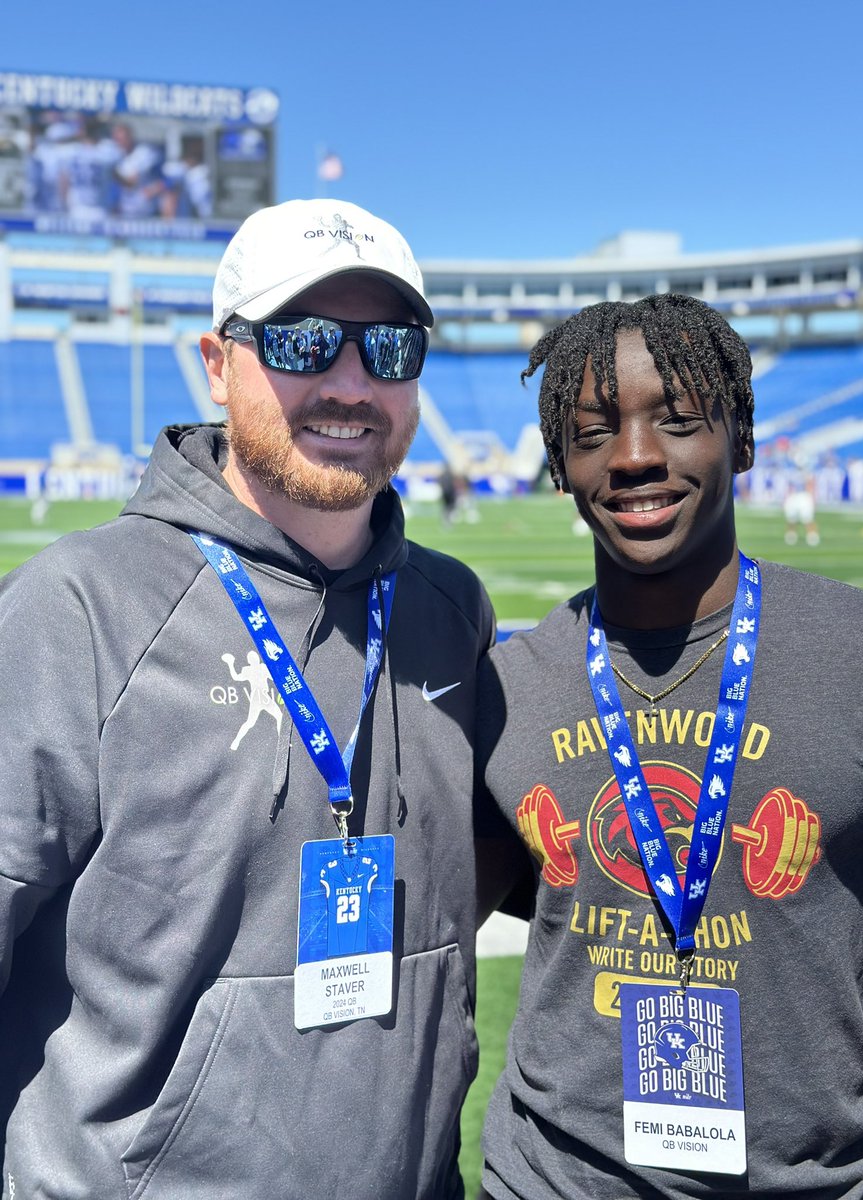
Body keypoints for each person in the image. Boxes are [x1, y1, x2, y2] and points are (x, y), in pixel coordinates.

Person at [0, 198, 497, 1199]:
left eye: (389, 348)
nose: (351, 383)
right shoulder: (83, 605)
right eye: (303, 341)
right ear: (216, 362)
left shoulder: (452, 610)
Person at [476, 294, 863, 1199]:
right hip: (550, 1179)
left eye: (678, 422)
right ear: (560, 466)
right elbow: (473, 916)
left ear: (742, 440)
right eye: (593, 434)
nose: (634, 457)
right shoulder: (511, 684)